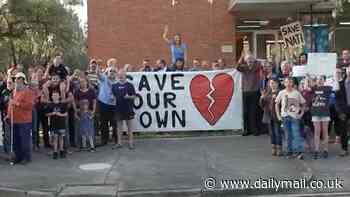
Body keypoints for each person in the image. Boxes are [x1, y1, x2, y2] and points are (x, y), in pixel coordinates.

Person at [7, 72, 35, 164]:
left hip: (24, 120)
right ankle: (18, 157)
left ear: (23, 80)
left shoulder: (28, 92)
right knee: (15, 140)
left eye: (19, 79)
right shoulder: (14, 92)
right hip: (14, 120)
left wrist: (18, 104)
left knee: (24, 140)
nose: (16, 81)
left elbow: (30, 106)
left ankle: (26, 157)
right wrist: (8, 115)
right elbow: (10, 105)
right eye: (15, 79)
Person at [275, 77, 306, 160]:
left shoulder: (297, 93)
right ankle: (289, 151)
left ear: (293, 83)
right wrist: (278, 115)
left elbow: (303, 103)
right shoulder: (281, 92)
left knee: (296, 134)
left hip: (294, 117)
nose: (288, 84)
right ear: (284, 84)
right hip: (285, 117)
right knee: (288, 135)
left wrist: (301, 114)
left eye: (290, 82)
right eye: (287, 82)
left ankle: (298, 151)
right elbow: (277, 104)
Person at [235, 54, 261, 136]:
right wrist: (242, 57)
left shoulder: (256, 67)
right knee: (245, 111)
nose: (250, 61)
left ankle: (254, 129)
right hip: (245, 91)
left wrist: (253, 58)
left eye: (251, 60)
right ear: (246, 61)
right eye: (248, 60)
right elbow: (237, 67)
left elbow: (259, 63)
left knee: (253, 111)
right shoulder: (243, 67)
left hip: (255, 91)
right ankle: (246, 130)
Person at [310, 75, 333, 159]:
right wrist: (308, 76)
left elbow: (336, 87)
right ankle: (316, 150)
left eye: (321, 79)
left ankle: (325, 150)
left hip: (325, 113)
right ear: (316, 81)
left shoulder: (328, 88)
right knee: (317, 132)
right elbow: (307, 85)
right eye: (318, 79)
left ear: (324, 80)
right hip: (315, 113)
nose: (319, 81)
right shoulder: (313, 88)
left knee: (325, 132)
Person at [112, 69, 136, 149]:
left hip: (128, 109)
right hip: (118, 109)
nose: (121, 76)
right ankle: (119, 143)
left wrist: (128, 97)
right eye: (119, 74)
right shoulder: (114, 85)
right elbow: (113, 96)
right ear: (118, 75)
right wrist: (112, 98)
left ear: (125, 75)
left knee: (129, 127)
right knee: (119, 127)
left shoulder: (130, 85)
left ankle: (131, 143)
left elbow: (134, 96)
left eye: (122, 74)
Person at [259, 78, 283, 156]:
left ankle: (279, 148)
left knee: (278, 132)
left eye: (273, 83)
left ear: (277, 84)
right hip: (269, 116)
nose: (272, 85)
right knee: (272, 133)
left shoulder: (280, 92)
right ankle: (273, 147)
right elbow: (262, 105)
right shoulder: (267, 93)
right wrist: (262, 98)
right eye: (270, 83)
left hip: (277, 116)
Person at [97, 65, 118, 146]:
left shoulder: (117, 82)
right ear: (107, 73)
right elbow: (98, 74)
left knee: (115, 123)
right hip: (103, 103)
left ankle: (116, 140)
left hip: (114, 105)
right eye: (110, 71)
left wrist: (115, 97)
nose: (112, 72)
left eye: (114, 71)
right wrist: (98, 67)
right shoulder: (104, 78)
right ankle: (104, 140)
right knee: (103, 123)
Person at [74, 77, 97, 150]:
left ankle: (92, 145)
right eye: (81, 82)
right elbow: (74, 102)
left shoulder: (91, 91)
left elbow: (94, 101)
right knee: (80, 129)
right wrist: (75, 110)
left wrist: (93, 110)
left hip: (89, 112)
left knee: (90, 129)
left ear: (87, 82)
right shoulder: (77, 91)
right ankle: (80, 145)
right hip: (80, 112)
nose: (82, 83)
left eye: (84, 82)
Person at [46, 91, 68, 159]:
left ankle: (61, 150)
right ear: (52, 97)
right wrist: (52, 113)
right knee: (55, 138)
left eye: (56, 95)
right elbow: (47, 114)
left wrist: (60, 114)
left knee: (61, 138)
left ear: (59, 96)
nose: (55, 97)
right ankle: (55, 152)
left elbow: (66, 114)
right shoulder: (50, 105)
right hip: (53, 124)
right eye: (54, 96)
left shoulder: (62, 104)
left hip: (61, 124)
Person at [335, 67, 350, 157]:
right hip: (344, 110)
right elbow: (337, 100)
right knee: (343, 130)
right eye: (349, 71)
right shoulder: (340, 83)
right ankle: (344, 149)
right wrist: (339, 111)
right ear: (346, 72)